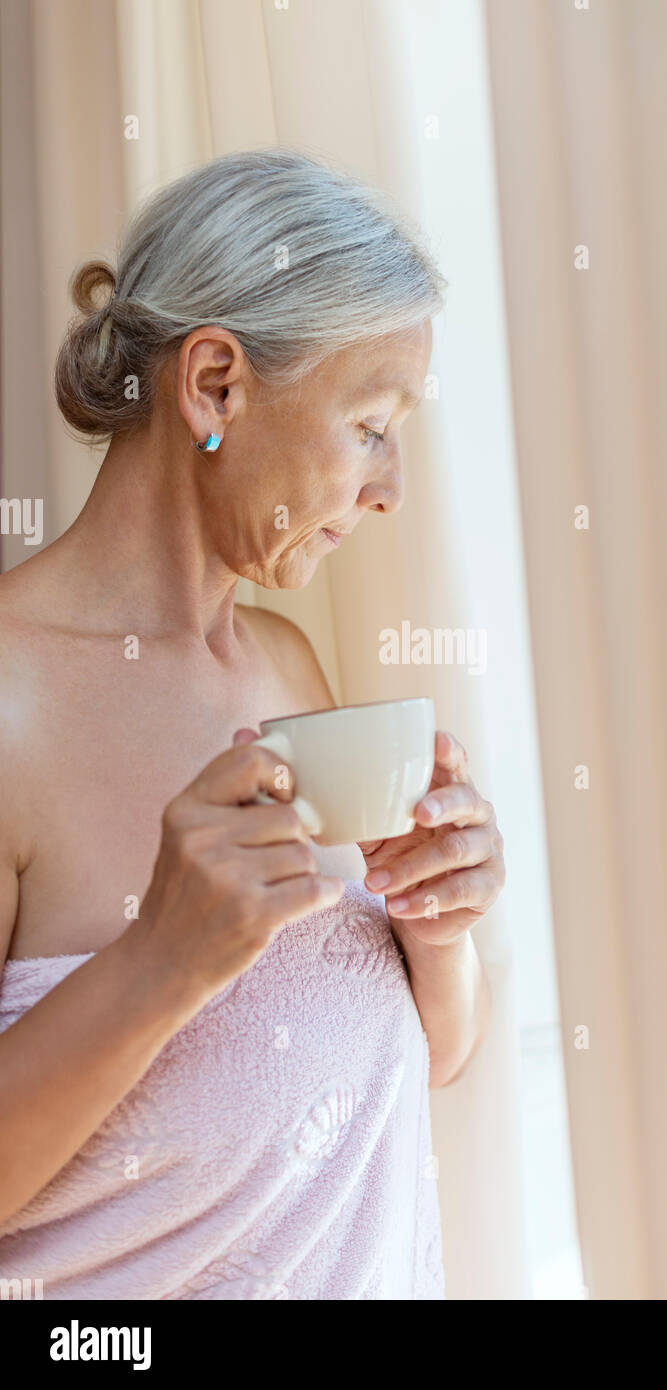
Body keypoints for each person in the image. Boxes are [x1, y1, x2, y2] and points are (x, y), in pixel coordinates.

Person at [0, 149, 505, 1299]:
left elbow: (425, 1055)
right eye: (371, 424)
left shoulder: (281, 667)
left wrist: (440, 922)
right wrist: (161, 961)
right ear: (217, 385)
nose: (390, 490)